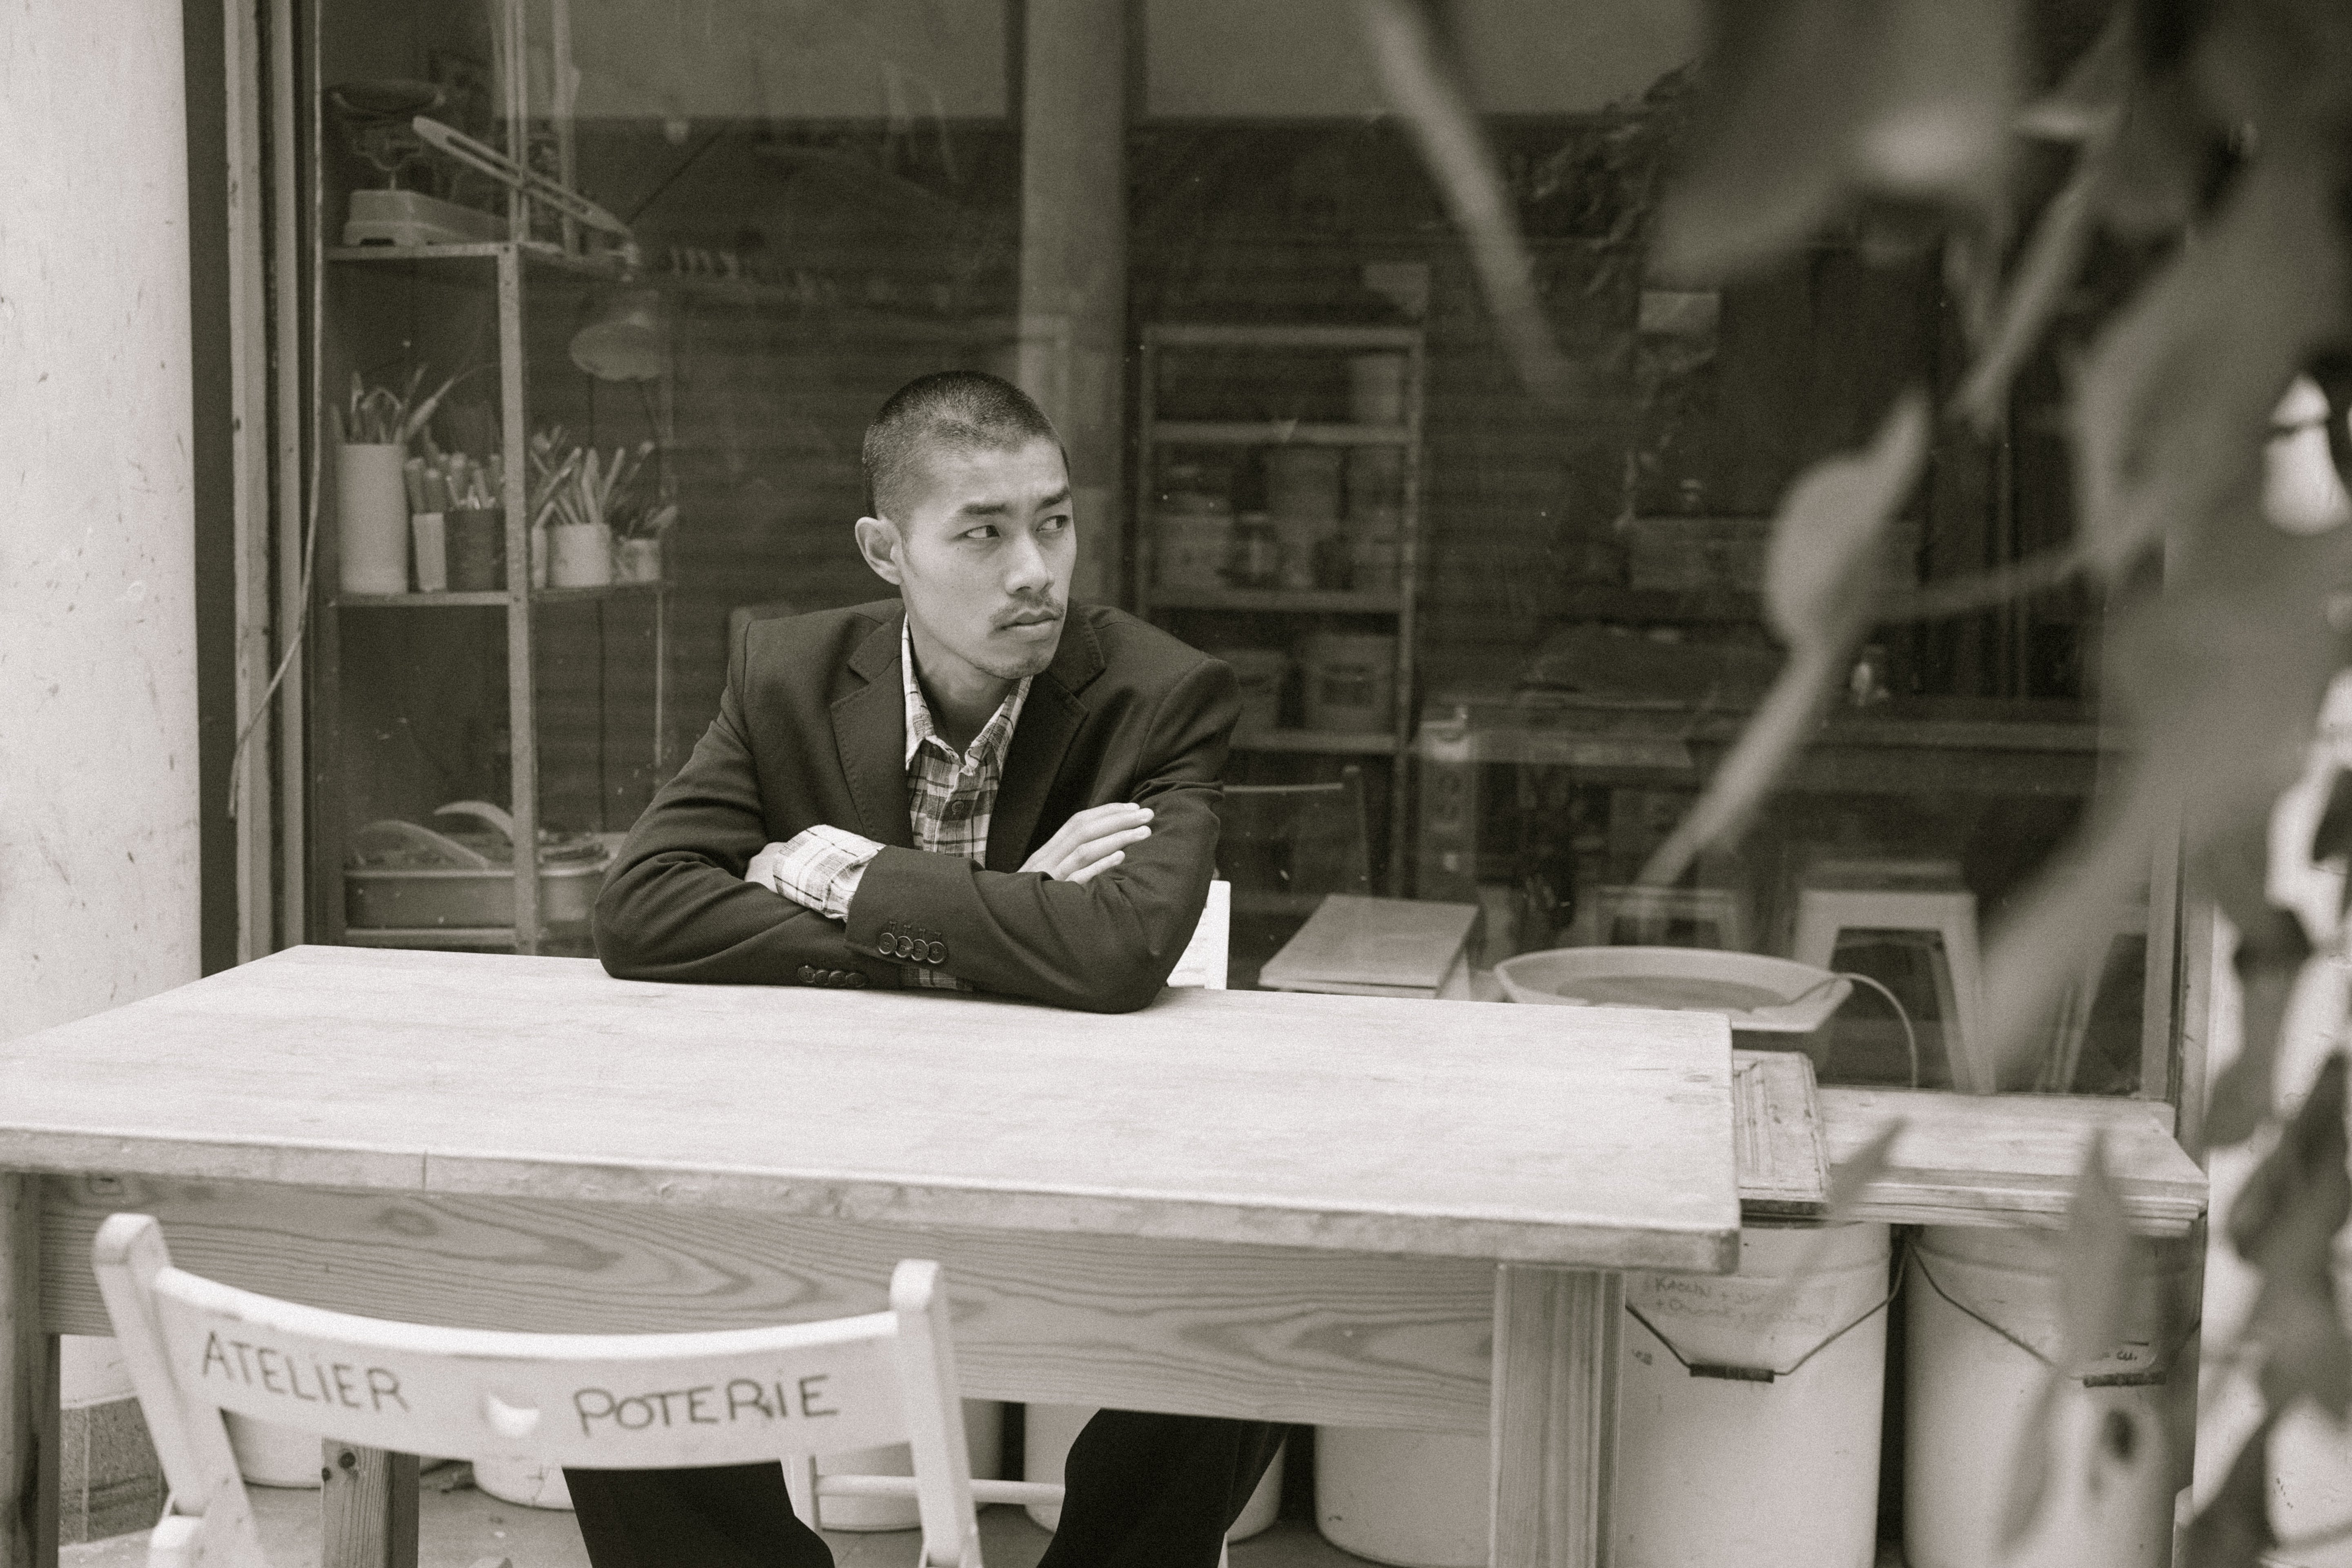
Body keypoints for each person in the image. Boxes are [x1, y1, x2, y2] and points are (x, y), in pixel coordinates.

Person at [578, 370, 1282, 1568]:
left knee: (1263, 1315)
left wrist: (840, 874)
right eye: (984, 533)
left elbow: (1120, 950)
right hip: (820, 1150)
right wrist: (1004, 923)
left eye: (1054, 522)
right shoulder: (787, 673)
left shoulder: (1160, 695)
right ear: (885, 550)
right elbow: (642, 912)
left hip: (1080, 1159)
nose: (1035, 571)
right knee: (602, 1304)